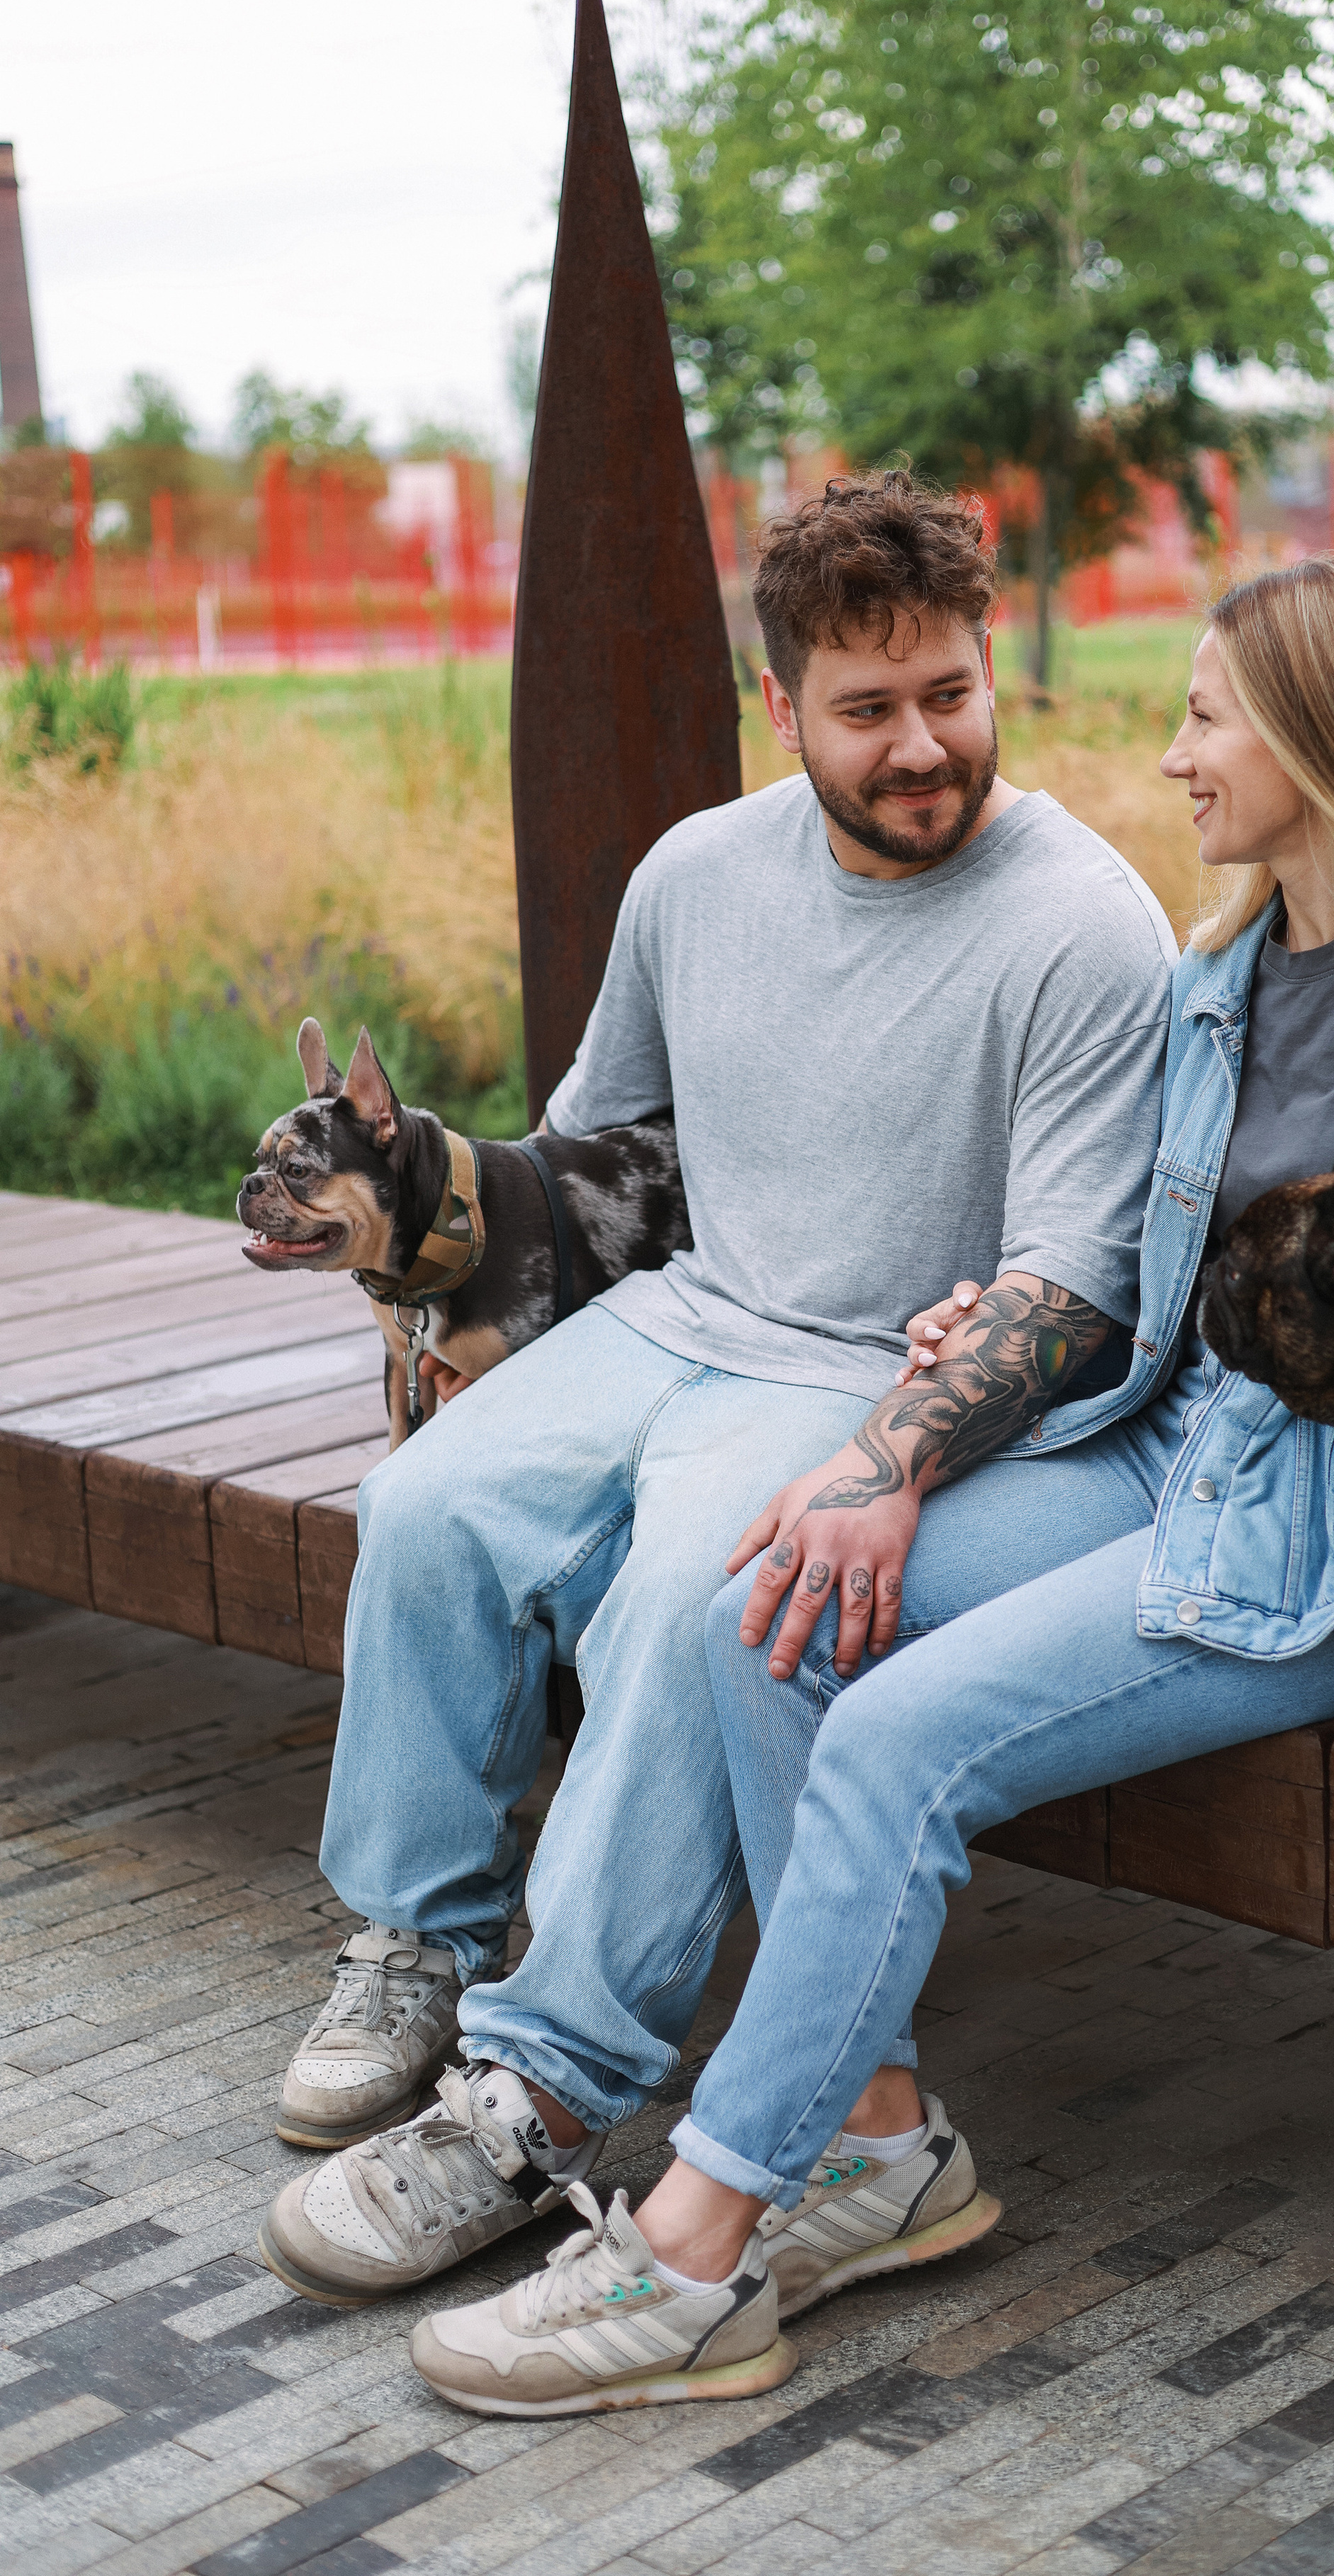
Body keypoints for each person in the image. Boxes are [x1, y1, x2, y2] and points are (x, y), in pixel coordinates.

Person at [397, 555, 1334, 2417]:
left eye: (1211, 714)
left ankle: (692, 2252)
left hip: (1328, 1570)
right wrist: (1010, 1317)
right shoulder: (1221, 980)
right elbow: (1177, 1287)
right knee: (777, 1603)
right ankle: (878, 2147)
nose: (1173, 757)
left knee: (898, 1742)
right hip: (1151, 1458)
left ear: (1316, 738)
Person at [257, 473, 1177, 2307]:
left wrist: (894, 1459)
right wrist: (422, 1191)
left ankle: (549, 2078)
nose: (922, 746)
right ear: (785, 707)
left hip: (864, 1365)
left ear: (991, 670)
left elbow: (1080, 1285)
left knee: (703, 1591)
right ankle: (416, 1938)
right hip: (691, 1313)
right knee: (428, 1504)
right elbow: (612, 1169)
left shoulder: (1085, 922)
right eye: (869, 710)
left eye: (951, 695)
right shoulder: (696, 875)